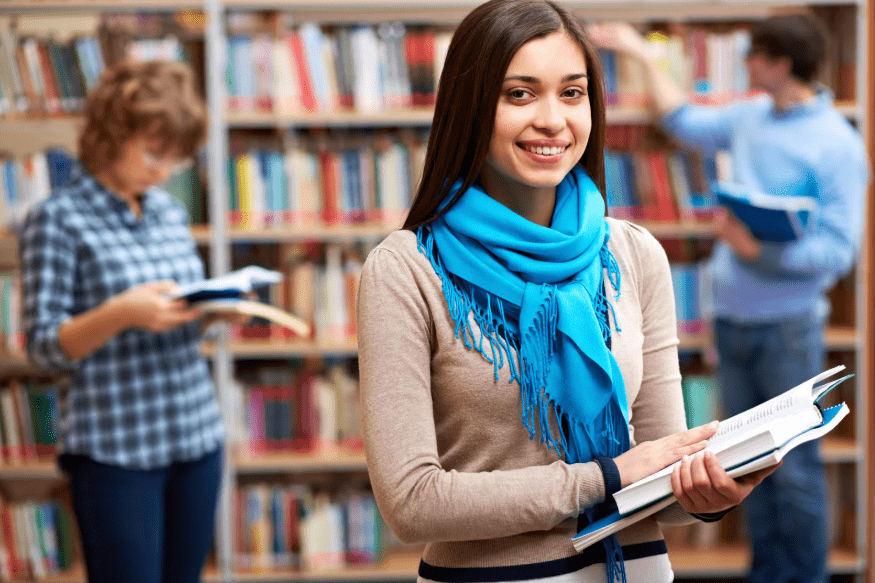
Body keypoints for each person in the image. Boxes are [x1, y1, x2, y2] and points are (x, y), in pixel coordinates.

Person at [357, 2, 776, 582]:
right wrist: (606, 478)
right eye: (520, 94)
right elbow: (411, 503)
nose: (553, 120)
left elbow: (660, 472)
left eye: (572, 93)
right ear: (470, 106)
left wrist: (708, 492)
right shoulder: (405, 269)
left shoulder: (634, 254)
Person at [589, 13, 870, 583]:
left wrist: (756, 251)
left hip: (789, 326)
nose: (744, 63)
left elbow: (839, 252)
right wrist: (639, 53)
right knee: (746, 467)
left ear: (779, 64)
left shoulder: (838, 145)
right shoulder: (749, 116)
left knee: (795, 472)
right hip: (731, 321)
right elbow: (681, 120)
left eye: (754, 54)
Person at [19, 60, 242, 583]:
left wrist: (211, 310)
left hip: (195, 435)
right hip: (115, 450)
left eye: (174, 159)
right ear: (110, 135)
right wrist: (122, 312)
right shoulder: (57, 219)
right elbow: (43, 346)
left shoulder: (166, 210)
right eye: (153, 153)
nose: (163, 171)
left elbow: (176, 315)